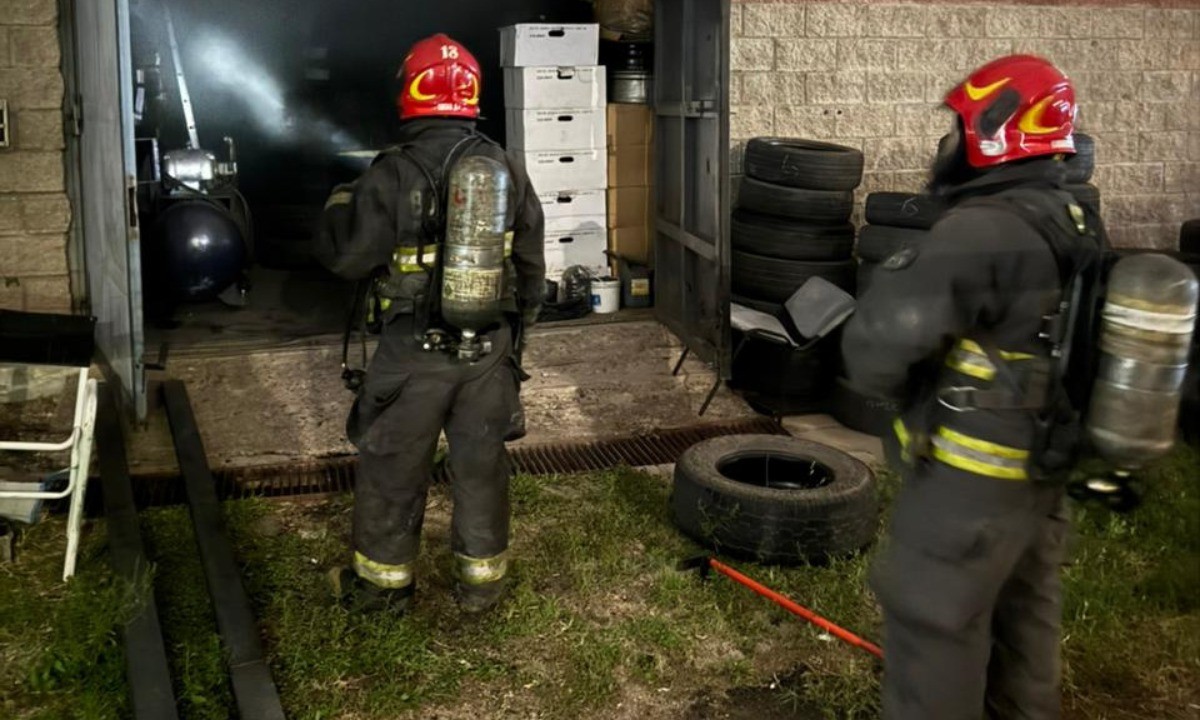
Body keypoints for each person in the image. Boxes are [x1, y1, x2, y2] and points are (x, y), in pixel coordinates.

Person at [841, 54, 1105, 719]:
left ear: (996, 127)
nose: (948, 145)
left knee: (935, 627)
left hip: (970, 486)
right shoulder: (1071, 217)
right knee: (1025, 624)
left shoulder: (982, 229)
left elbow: (877, 345)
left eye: (957, 127)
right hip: (1038, 479)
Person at [313, 33, 545, 614]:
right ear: (471, 96)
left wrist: (341, 201)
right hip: (488, 349)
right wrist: (513, 341)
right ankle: (481, 590)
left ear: (409, 94)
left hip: (412, 352)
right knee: (482, 468)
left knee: (393, 469)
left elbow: (345, 260)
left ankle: (382, 594)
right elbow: (533, 269)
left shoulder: (390, 173)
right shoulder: (504, 166)